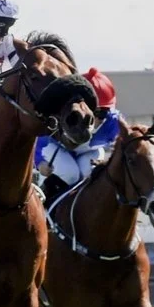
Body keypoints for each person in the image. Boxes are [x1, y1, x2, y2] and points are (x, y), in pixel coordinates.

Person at [35, 67, 123, 204]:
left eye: (101, 113)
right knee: (71, 174)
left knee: (89, 173)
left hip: (88, 151)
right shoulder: (59, 115)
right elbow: (39, 139)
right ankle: (45, 207)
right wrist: (39, 162)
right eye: (91, 111)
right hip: (54, 146)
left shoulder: (114, 124)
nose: (94, 119)